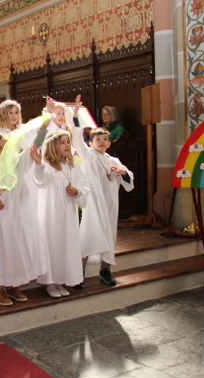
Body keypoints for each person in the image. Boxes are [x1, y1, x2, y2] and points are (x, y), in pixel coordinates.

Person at [0, 116, 51, 306]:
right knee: (3, 250)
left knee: (18, 248)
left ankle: (14, 285)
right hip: (2, 216)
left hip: (20, 214)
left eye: (7, 147)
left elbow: (35, 145)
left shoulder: (18, 163)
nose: (3, 150)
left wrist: (43, 127)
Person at [71, 99, 134, 286]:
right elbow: (77, 137)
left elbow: (129, 178)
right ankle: (79, 273)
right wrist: (75, 115)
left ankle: (105, 270)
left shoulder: (113, 161)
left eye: (105, 139)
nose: (102, 142)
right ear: (90, 142)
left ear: (109, 143)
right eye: (98, 139)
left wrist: (123, 173)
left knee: (109, 238)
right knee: (88, 237)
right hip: (93, 204)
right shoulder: (87, 156)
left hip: (109, 206)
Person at [34, 130, 90, 298]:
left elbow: (85, 183)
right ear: (53, 146)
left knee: (66, 244)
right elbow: (40, 180)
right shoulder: (47, 166)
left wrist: (77, 190)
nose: (67, 145)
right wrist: (38, 164)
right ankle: (51, 282)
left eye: (68, 142)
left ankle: (61, 280)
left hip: (68, 214)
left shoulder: (72, 166)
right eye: (63, 142)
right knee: (52, 244)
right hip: (51, 213)